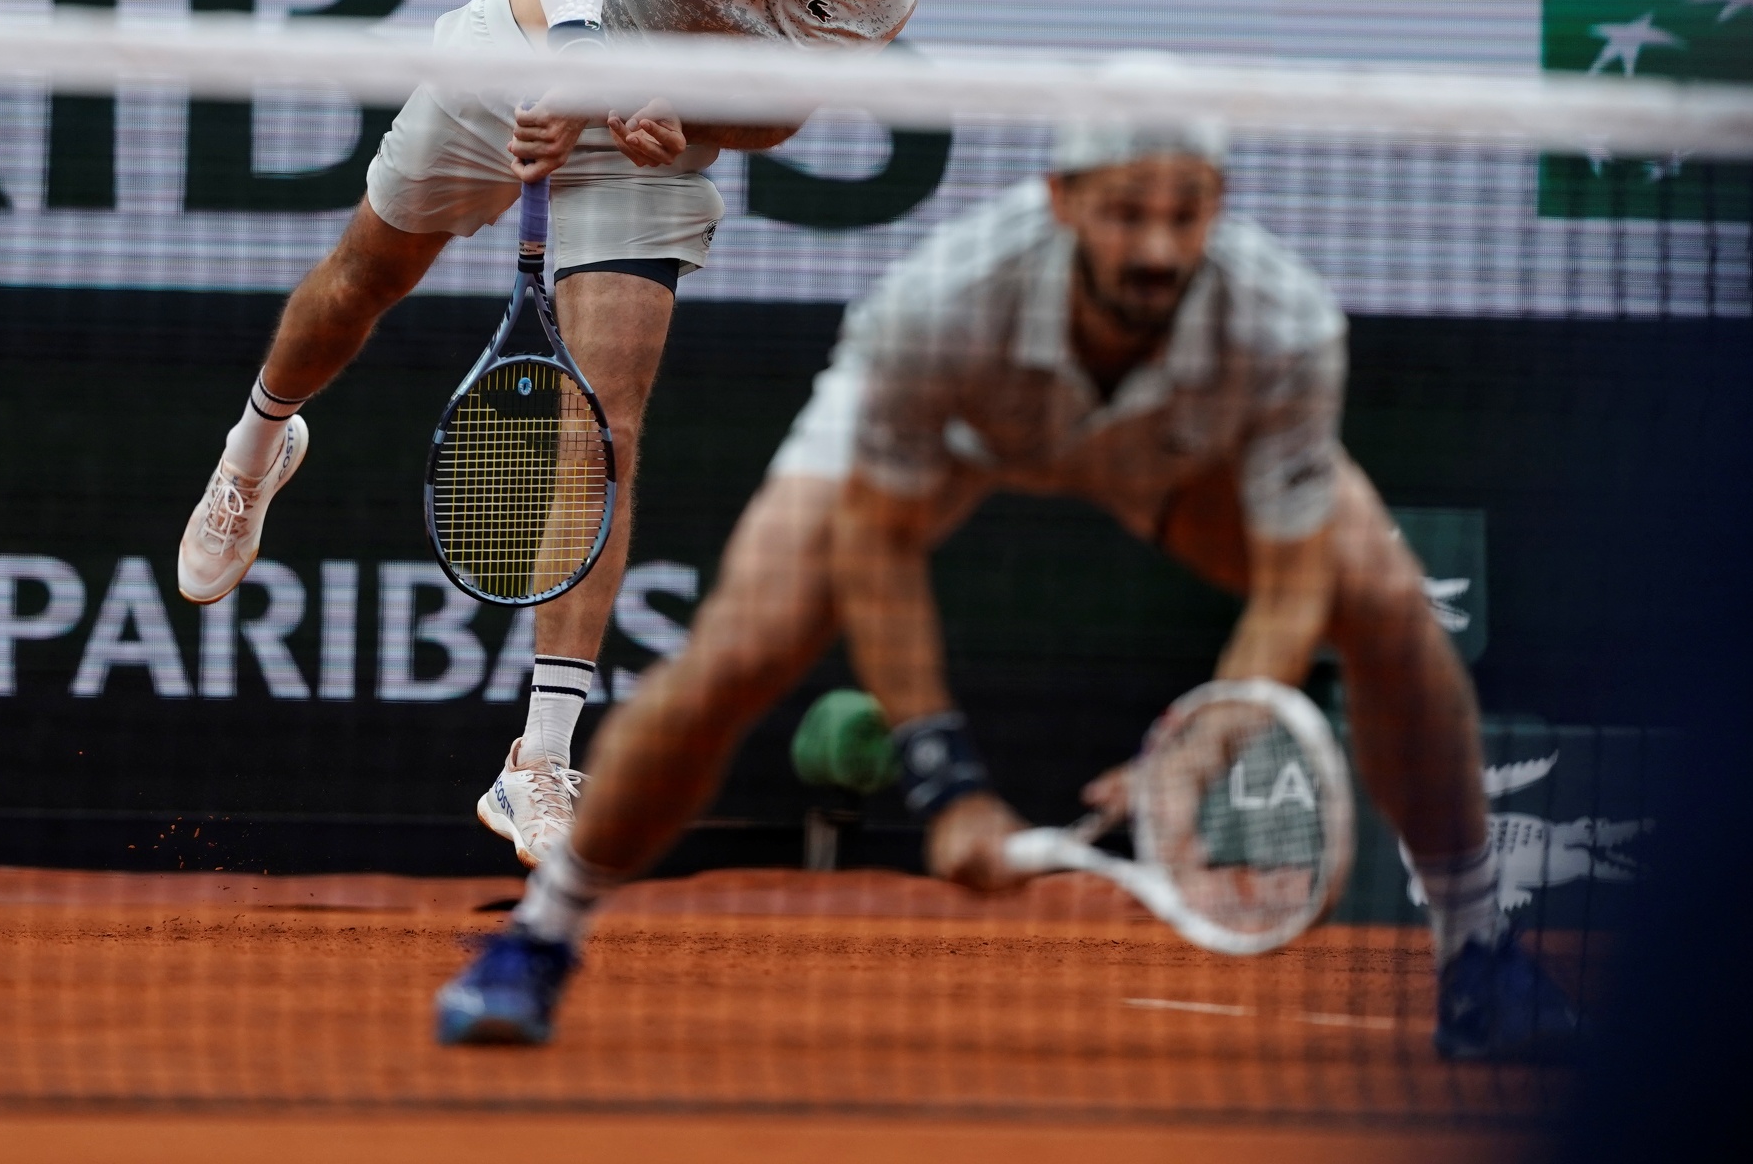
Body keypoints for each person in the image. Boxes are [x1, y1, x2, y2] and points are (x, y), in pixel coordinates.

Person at [434, 122, 1582, 1060]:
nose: (1157, 246)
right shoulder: (943, 299)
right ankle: (541, 936)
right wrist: (948, 783)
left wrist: (1197, 755)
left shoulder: (1285, 325)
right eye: (1127, 212)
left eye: (1185, 213)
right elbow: (879, 550)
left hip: (1168, 446)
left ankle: (1478, 951)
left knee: (1384, 600)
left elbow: (1296, 585)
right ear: (1063, 199)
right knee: (741, 643)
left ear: (1219, 208)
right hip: (958, 426)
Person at [175, 0, 979, 869]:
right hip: (521, 55)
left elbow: (776, 117)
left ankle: (539, 760)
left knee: (603, 428)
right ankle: (256, 447)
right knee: (362, 279)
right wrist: (584, 59)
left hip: (635, 149)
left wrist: (678, 117)